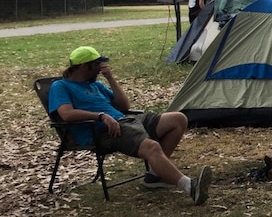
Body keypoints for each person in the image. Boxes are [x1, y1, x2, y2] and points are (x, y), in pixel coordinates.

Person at [48, 46, 212, 205]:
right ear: (85, 66)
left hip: (126, 120)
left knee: (178, 119)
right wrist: (101, 116)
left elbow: (124, 106)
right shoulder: (60, 86)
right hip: (103, 130)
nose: (100, 68)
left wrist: (111, 79)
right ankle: (190, 186)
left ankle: (155, 176)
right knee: (152, 147)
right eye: (97, 64)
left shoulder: (96, 85)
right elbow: (66, 114)